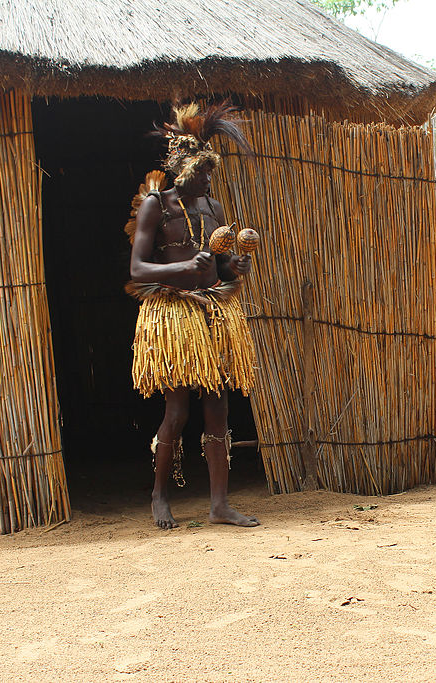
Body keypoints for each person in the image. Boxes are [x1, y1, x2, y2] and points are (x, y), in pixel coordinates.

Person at [125, 103, 259, 529]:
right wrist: (181, 270)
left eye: (209, 173)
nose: (207, 180)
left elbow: (217, 269)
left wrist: (233, 269)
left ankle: (219, 505)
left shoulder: (213, 209)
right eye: (201, 173)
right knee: (178, 412)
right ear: (183, 170)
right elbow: (137, 270)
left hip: (211, 315)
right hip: (174, 316)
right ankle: (159, 495)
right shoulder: (156, 207)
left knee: (218, 410)